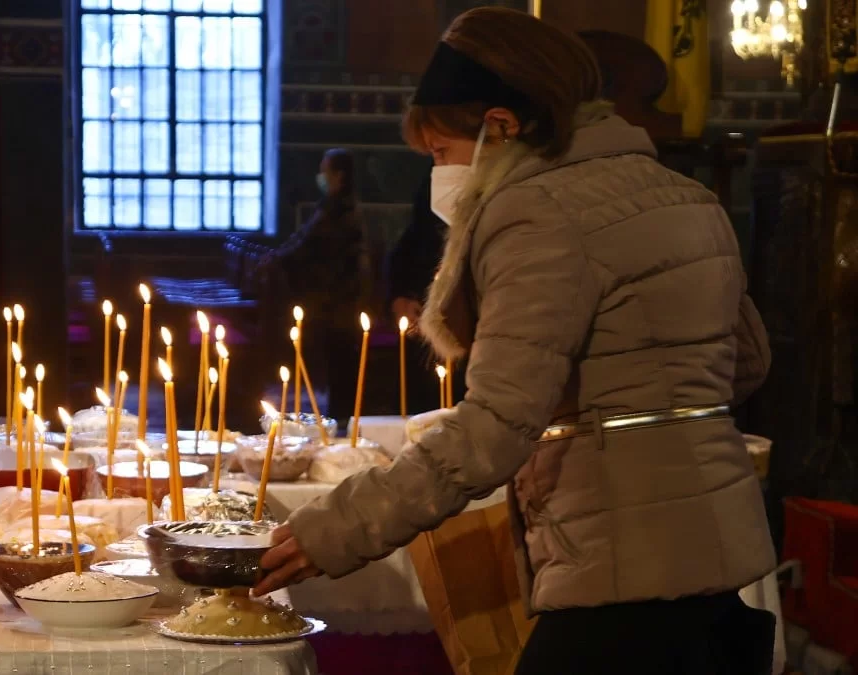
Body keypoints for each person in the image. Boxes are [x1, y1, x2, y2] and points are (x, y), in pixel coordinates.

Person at [255, 8, 777, 674]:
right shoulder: (686, 196)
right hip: (716, 556)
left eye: (441, 153)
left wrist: (333, 529)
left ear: (501, 126)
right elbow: (748, 361)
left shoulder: (537, 212)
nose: (438, 175)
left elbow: (495, 427)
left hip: (618, 560)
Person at [261, 148, 370, 429]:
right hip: (332, 299)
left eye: (325, 171)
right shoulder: (332, 205)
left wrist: (278, 259)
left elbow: (309, 245)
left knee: (340, 362)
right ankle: (339, 416)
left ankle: (342, 419)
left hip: (338, 300)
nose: (320, 177)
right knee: (335, 361)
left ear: (339, 175)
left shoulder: (340, 209)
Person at [387, 173, 463, 412]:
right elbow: (408, 248)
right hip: (421, 320)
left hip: (466, 328)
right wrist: (401, 295)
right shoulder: (429, 195)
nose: (441, 163)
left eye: (441, 150)